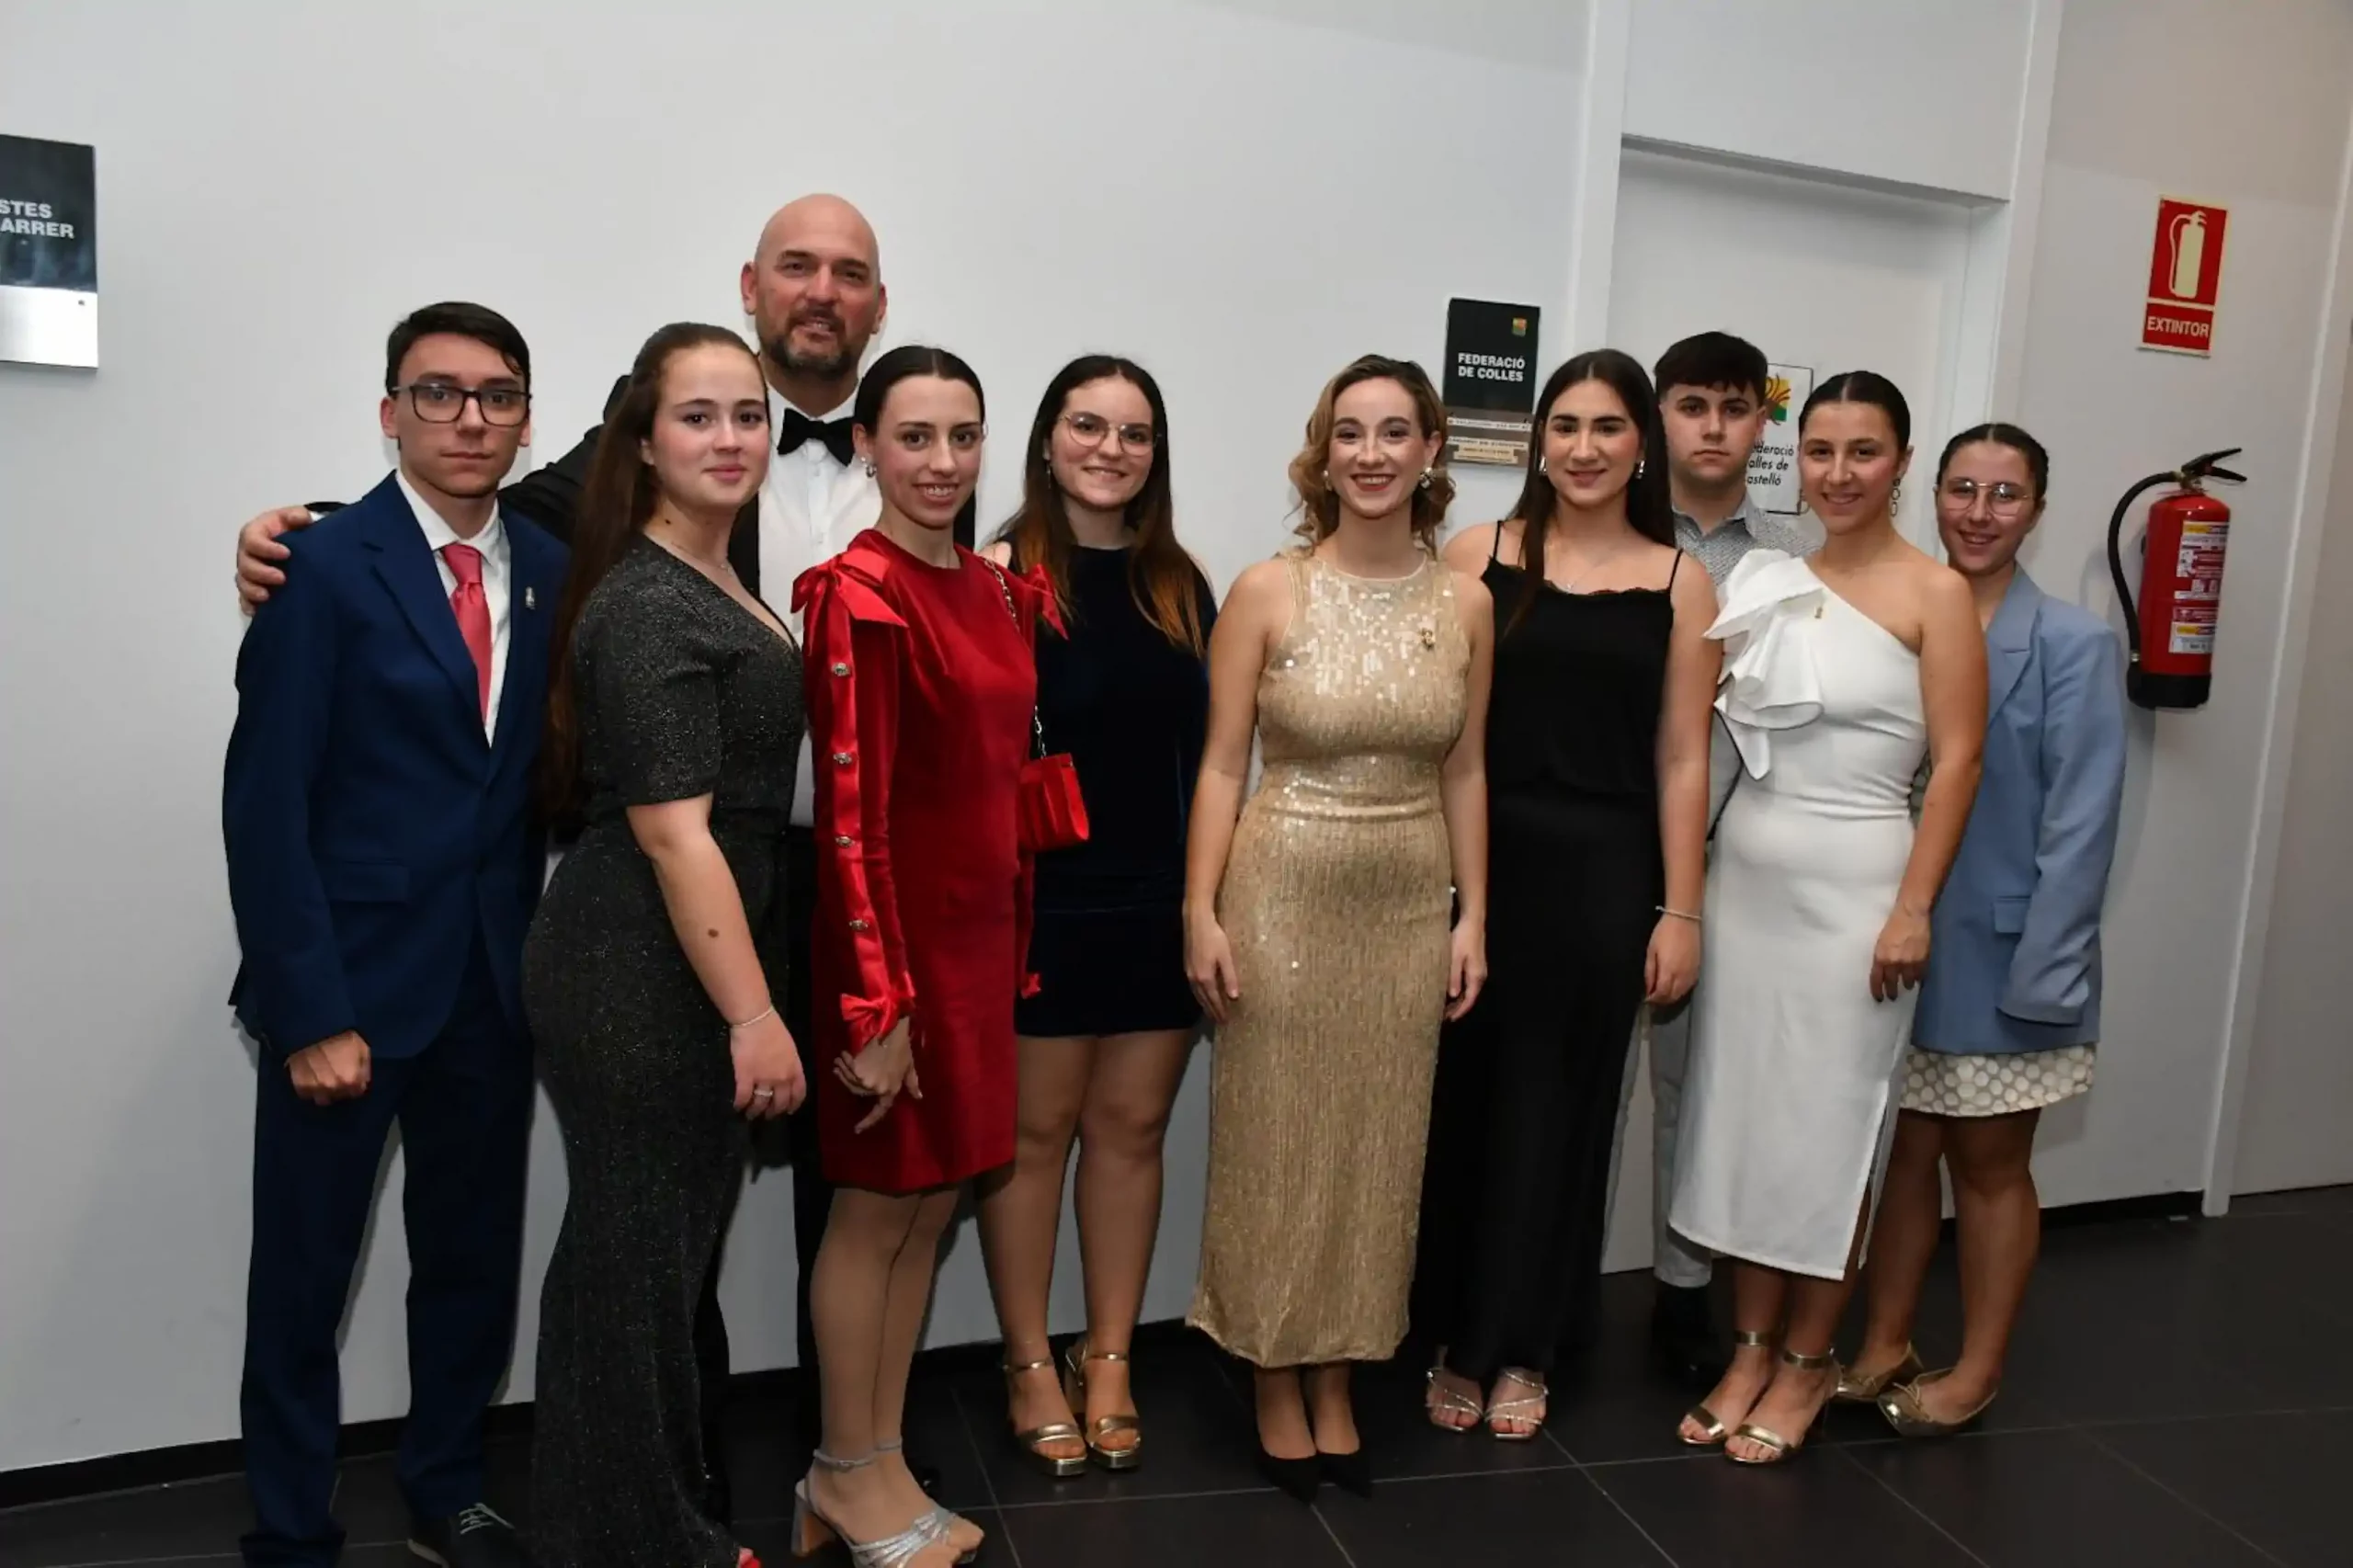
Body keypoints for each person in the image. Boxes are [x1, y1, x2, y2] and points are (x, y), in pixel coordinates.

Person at [228, 194, 937, 1501]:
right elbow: (277, 786)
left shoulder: (900, 463)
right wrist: (294, 534)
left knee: (702, 1214)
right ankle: (623, 1489)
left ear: (878, 305)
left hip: (761, 905)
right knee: (588, 1233)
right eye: (796, 265)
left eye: (849, 271)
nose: (470, 419)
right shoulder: (555, 528)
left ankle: (824, 1457)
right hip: (578, 921)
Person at [222, 302, 560, 1567]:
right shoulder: (319, 566)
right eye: (438, 392)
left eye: (497, 395)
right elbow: (265, 807)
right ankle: (290, 1525)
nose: (470, 417)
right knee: (303, 1277)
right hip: (347, 987)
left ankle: (447, 1486)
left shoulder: (553, 565)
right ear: (389, 413)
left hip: (490, 984)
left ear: (525, 421)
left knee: (469, 1262)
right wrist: (307, 1011)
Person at [1185, 355, 1494, 1502]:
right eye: (1349, 432)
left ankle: (1340, 1376)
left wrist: (1473, 914)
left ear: (1429, 450)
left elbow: (1465, 768)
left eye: (1394, 431)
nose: (1371, 454)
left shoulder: (1465, 602)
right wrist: (1199, 908)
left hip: (1407, 900)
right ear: (1322, 455)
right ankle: (1273, 1370)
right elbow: (1223, 764)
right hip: (1282, 893)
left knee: (1376, 1147)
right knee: (1276, 1140)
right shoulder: (1268, 590)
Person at [523, 324, 805, 1565]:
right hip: (637, 968)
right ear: (641, 441)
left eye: (748, 415)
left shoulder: (712, 574)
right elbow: (676, 834)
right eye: (698, 416)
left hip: (680, 958)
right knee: (633, 1274)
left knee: (641, 1265)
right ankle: (646, 1540)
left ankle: (625, 1529)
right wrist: (754, 1014)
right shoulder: (647, 601)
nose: (730, 438)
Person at [1666, 370, 1986, 1465]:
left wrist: (1913, 908)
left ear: (1901, 462)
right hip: (1748, 887)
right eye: (1819, 451)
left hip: (1860, 896)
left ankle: (1809, 1359)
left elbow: (1958, 763)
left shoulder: (1935, 593)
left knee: (1829, 1135)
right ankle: (1750, 1347)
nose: (1838, 473)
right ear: (1793, 460)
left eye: (1863, 452)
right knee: (1743, 1123)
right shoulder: (1765, 577)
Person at [1413, 350, 1719, 1439]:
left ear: (1642, 445)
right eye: (1565, 425)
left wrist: (1680, 908)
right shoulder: (1475, 554)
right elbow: (1442, 735)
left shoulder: (1681, 581)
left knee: (1564, 1115)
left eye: (1608, 427)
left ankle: (1527, 1343)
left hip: (1604, 876)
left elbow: (1683, 757)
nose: (1583, 448)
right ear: (1538, 439)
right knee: (1466, 1107)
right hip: (1480, 864)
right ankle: (1455, 1334)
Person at [789, 346, 1046, 1568]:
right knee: (874, 1210)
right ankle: (842, 1469)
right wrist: (875, 1004)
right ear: (866, 447)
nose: (942, 462)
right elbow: (853, 823)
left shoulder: (994, 586)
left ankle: (875, 1459)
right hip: (895, 956)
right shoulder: (857, 591)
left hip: (980, 945)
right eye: (914, 437)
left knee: (930, 1208)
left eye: (963, 436)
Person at [1841, 423, 2125, 1436]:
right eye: (1961, 488)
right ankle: (1883, 1345)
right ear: (1934, 495)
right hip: (1894, 949)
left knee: (1990, 1168)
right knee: (1903, 1157)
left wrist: (2048, 973)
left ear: (2037, 510)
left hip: (2007, 959)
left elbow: (2082, 825)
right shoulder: (1905, 615)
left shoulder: (2073, 643)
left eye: (2004, 494)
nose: (1978, 511)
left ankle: (1978, 1370)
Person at [975, 357, 1215, 1475]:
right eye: (1088, 425)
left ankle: (1108, 1353)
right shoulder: (995, 577)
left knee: (1130, 1130)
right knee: (1032, 1139)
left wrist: (1202, 902)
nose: (1110, 449)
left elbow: (1210, 758)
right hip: (1041, 902)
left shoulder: (1180, 584)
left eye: (1134, 432)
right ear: (1047, 438)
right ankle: (1028, 1359)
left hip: (1157, 899)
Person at [1618, 331, 1820, 1384]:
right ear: (1658, 414)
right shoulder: (1611, 527)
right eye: (1690, 404)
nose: (1711, 426)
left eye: (1734, 407)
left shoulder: (1795, 557)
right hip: (1604, 850)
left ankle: (1681, 1287)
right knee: (1575, 1088)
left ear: (1761, 421)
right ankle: (1546, 1288)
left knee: (1695, 1087)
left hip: (1728, 862)